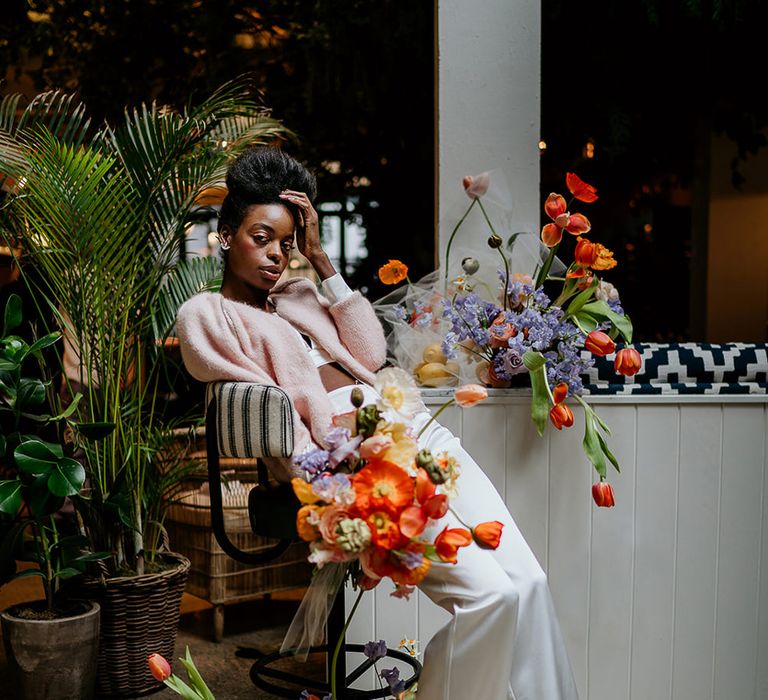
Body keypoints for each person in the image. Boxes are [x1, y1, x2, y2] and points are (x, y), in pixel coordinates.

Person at [175, 147, 579, 700]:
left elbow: (368, 348)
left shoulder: (300, 295)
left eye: (287, 242)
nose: (275, 254)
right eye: (260, 236)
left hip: (418, 430)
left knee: (529, 583)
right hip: (362, 460)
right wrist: (330, 478)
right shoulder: (210, 313)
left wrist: (321, 263)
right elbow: (239, 385)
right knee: (490, 597)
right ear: (225, 236)